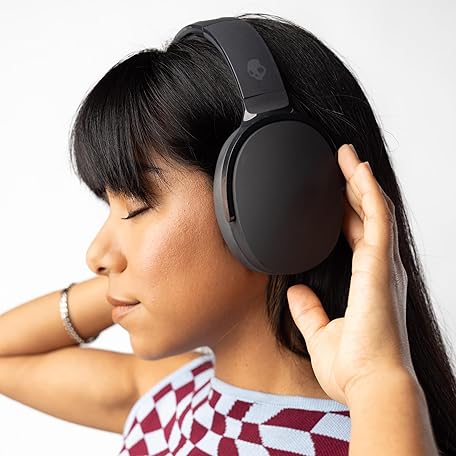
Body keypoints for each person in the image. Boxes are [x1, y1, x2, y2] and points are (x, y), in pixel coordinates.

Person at [0, 12, 454, 456]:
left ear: (268, 202)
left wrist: (378, 380)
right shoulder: (174, 394)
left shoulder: (356, 437)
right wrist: (123, 290)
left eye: (136, 207)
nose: (96, 255)